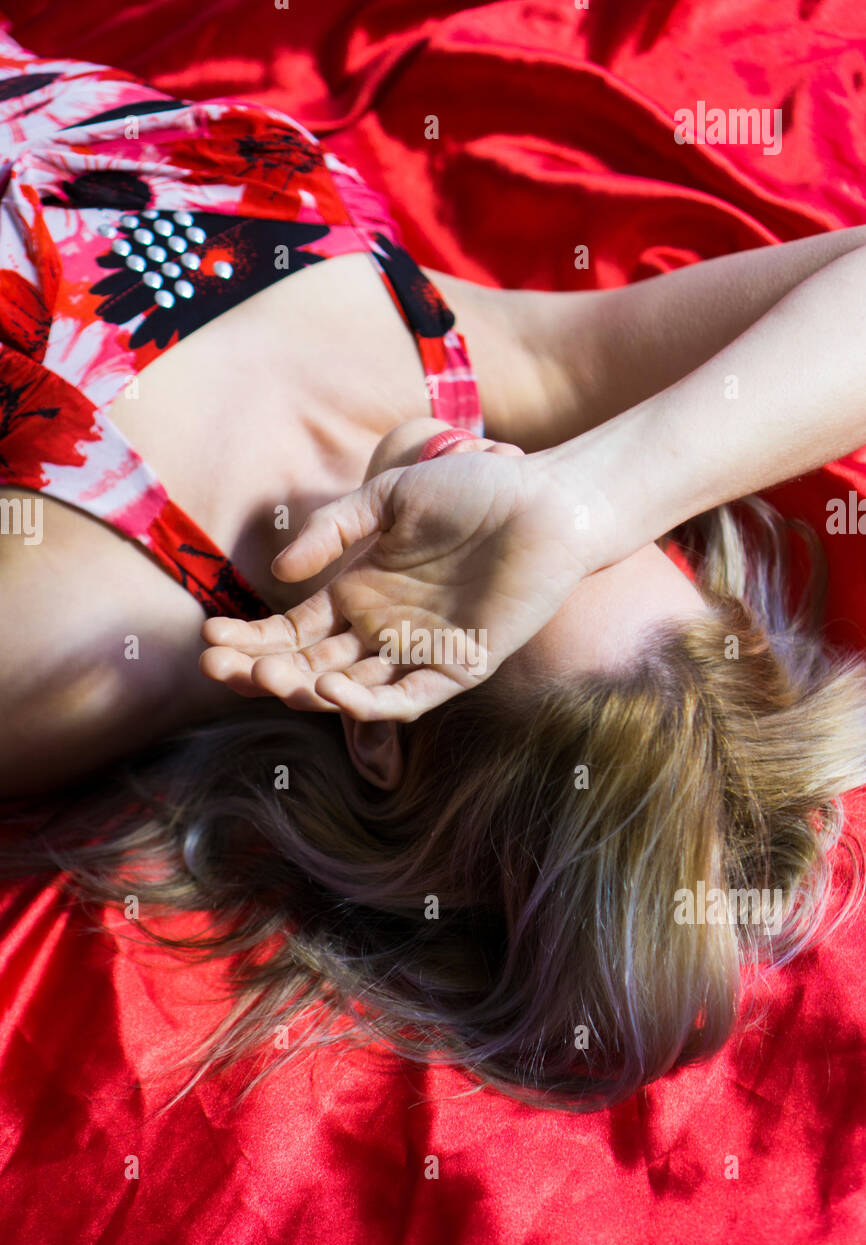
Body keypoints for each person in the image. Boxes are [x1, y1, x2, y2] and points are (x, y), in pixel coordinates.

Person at [2, 29, 866, 1110]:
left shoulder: (67, 650)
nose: (510, 487)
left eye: (527, 582)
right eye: (602, 542)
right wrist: (588, 496)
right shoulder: (477, 371)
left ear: (377, 730)